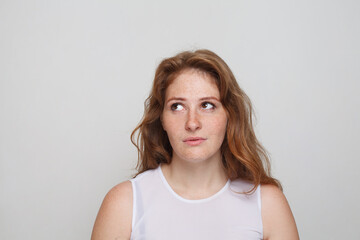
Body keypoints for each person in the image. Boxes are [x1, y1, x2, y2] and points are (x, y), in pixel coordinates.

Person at [91, 49, 299, 240]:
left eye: (207, 105)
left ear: (230, 115)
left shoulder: (268, 203)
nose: (192, 123)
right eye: (177, 106)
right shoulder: (124, 203)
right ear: (161, 118)